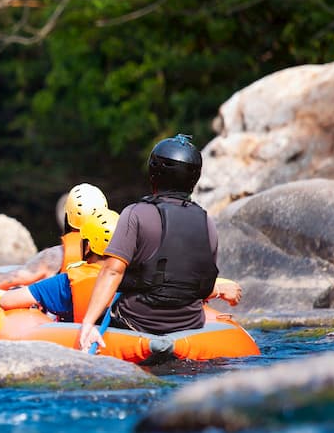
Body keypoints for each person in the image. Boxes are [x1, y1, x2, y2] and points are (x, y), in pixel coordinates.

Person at [76, 134, 241, 350]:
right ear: (194, 178)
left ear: (154, 173)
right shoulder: (206, 221)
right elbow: (200, 283)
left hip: (136, 323)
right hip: (189, 325)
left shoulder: (134, 214)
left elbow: (112, 271)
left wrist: (88, 323)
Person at [0, 206, 119, 323]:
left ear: (87, 247)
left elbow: (7, 301)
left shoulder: (65, 283)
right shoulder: (131, 282)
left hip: (74, 339)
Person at [0, 183, 107, 290]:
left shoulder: (53, 256)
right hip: (104, 319)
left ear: (68, 217)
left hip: (62, 320)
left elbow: (1, 281)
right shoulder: (118, 258)